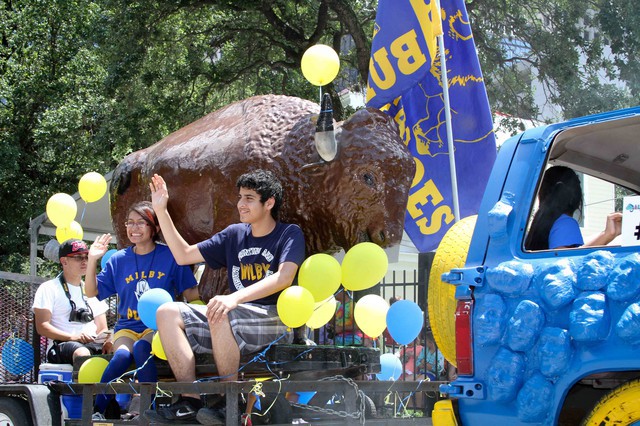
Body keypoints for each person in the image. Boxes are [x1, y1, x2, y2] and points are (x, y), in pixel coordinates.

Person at [145, 169, 305, 424]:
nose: (241, 204)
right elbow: (184, 255)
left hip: (273, 317)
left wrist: (235, 298)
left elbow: (283, 278)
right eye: (240, 197)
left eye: (249, 198)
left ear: (269, 203)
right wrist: (160, 210)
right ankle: (189, 400)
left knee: (221, 309)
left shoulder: (289, 234)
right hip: (231, 317)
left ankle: (230, 401)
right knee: (166, 312)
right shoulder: (234, 234)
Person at [85, 201, 200, 419]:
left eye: (140, 223)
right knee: (121, 357)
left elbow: (192, 294)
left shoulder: (171, 256)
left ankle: (149, 411)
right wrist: (92, 260)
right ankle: (97, 410)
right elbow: (92, 291)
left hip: (156, 327)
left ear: (155, 228)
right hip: (127, 326)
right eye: (130, 223)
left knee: (141, 350)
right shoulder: (119, 260)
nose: (133, 228)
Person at [32, 239, 110, 364]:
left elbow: (102, 328)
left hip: (93, 343)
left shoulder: (92, 290)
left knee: (120, 351)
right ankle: (83, 384)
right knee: (83, 353)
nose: (84, 261)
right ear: (64, 261)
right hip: (63, 344)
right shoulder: (49, 288)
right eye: (78, 257)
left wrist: (108, 341)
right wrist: (74, 337)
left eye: (87, 257)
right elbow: (42, 327)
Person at [525, 166, 622, 250]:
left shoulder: (539, 225)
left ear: (541, 194)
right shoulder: (565, 223)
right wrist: (607, 235)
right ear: (577, 196)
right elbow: (567, 262)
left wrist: (607, 234)